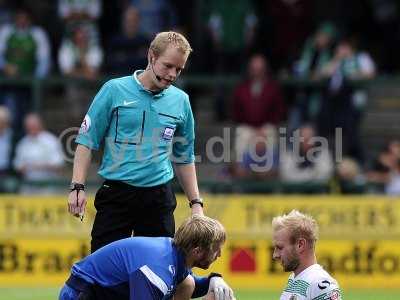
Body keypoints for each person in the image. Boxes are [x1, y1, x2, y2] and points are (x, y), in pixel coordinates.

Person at [67, 31, 204, 253]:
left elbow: (183, 156)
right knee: (104, 275)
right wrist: (77, 186)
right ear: (151, 56)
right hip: (116, 195)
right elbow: (86, 140)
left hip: (158, 199)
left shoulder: (181, 101)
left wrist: (196, 204)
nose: (172, 75)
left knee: (157, 278)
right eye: (168, 66)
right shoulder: (114, 89)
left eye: (178, 69)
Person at [59, 215, 235, 300]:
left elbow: (189, 283)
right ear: (197, 251)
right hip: (82, 295)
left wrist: (214, 281)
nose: (219, 255)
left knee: (188, 283)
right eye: (216, 249)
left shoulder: (174, 254)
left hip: (98, 293)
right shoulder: (156, 270)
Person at [272, 210, 342, 300]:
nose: (275, 255)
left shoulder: (320, 284)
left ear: (300, 245)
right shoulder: (294, 278)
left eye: (280, 247)